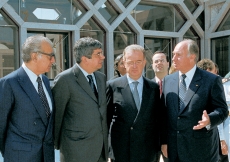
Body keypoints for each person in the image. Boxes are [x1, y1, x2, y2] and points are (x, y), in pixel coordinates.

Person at [162, 39, 228, 162]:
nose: (174, 58)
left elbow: (222, 110)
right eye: (173, 54)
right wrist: (164, 142)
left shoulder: (211, 80)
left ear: (192, 57)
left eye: (178, 55)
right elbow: (163, 114)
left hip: (201, 151)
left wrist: (209, 120)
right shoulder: (168, 80)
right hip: (174, 150)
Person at [107, 44, 167, 162]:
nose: (134, 66)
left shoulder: (153, 87)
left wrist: (162, 143)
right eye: (130, 62)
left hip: (147, 150)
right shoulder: (112, 86)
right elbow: (106, 119)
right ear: (124, 62)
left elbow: (159, 119)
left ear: (144, 62)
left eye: (138, 61)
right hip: (121, 150)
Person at [52, 37, 108, 162]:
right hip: (75, 151)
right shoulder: (65, 79)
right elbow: (57, 115)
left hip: (101, 151)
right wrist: (58, 144)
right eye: (98, 54)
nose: (103, 57)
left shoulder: (101, 78)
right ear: (84, 58)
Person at [0, 35, 55, 162]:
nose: (53, 60)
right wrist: (11, 153)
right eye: (50, 56)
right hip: (21, 157)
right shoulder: (9, 83)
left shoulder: (45, 81)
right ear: (34, 56)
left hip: (46, 156)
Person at [151, 51, 169, 162]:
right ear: (152, 65)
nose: (159, 63)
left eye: (162, 60)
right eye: (156, 61)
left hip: (170, 138)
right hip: (151, 140)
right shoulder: (147, 86)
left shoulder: (177, 84)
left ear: (168, 63)